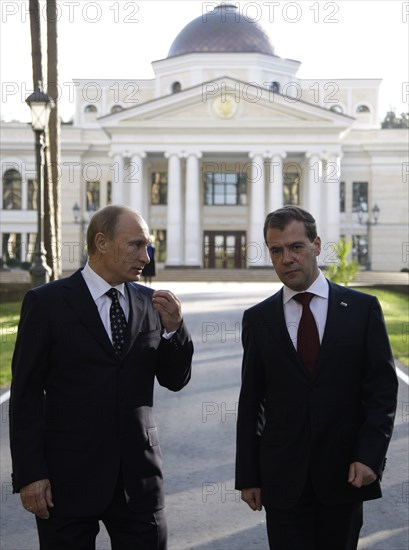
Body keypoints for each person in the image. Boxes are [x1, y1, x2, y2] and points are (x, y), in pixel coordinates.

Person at [9, 205, 193, 550]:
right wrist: (31, 474)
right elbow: (26, 396)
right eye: (136, 245)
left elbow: (175, 379)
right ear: (102, 242)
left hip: (139, 478)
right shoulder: (46, 303)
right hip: (67, 480)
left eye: (148, 246)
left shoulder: (150, 303)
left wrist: (174, 331)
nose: (146, 255)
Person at [235, 205, 398, 550]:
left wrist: (370, 455)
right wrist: (248, 475)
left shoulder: (361, 309)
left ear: (317, 245)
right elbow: (251, 403)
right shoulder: (258, 319)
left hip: (344, 475)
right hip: (282, 480)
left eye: (296, 247)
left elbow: (382, 391)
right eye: (276, 251)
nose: (286, 258)